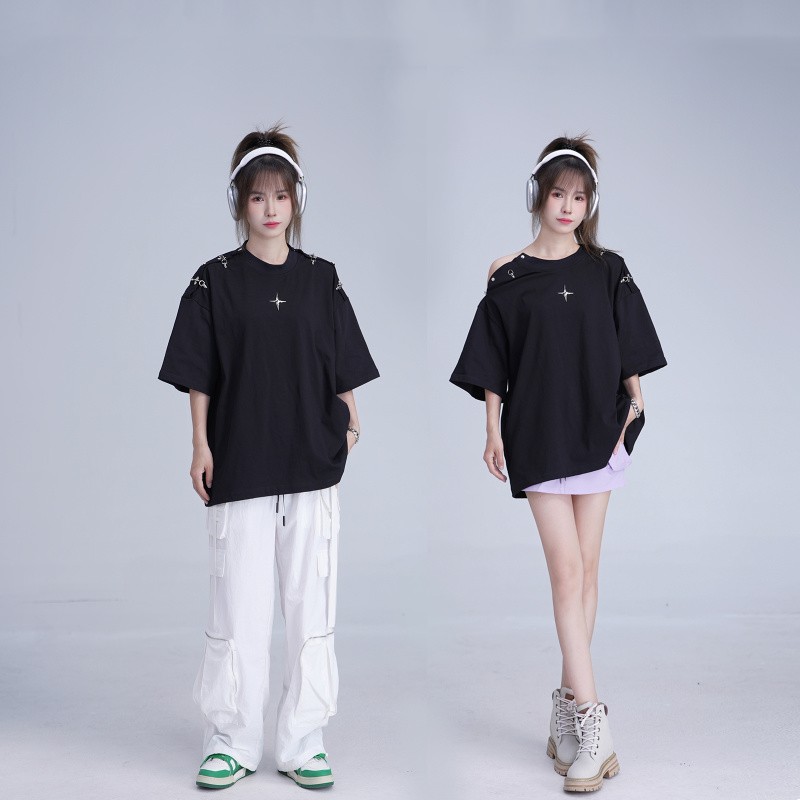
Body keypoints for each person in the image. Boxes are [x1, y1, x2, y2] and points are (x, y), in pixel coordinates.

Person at [158, 124, 379, 791]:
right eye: (258, 197)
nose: (271, 208)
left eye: (281, 195)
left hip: (311, 464)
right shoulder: (214, 281)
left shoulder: (322, 278)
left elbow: (341, 362)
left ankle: (303, 741)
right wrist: (200, 443)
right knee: (240, 610)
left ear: (297, 199)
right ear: (240, 202)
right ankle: (231, 740)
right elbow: (199, 373)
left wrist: (350, 420)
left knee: (311, 609)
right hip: (241, 462)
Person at [450, 135, 666, 792]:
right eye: (557, 194)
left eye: (579, 196)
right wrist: (492, 428)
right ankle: (596, 726)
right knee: (566, 571)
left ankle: (568, 712)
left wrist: (636, 406)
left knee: (588, 573)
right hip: (539, 433)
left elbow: (630, 349)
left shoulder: (608, 269)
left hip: (599, 429)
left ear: (590, 202)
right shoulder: (507, 274)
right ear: (537, 196)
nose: (568, 206)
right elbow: (494, 360)